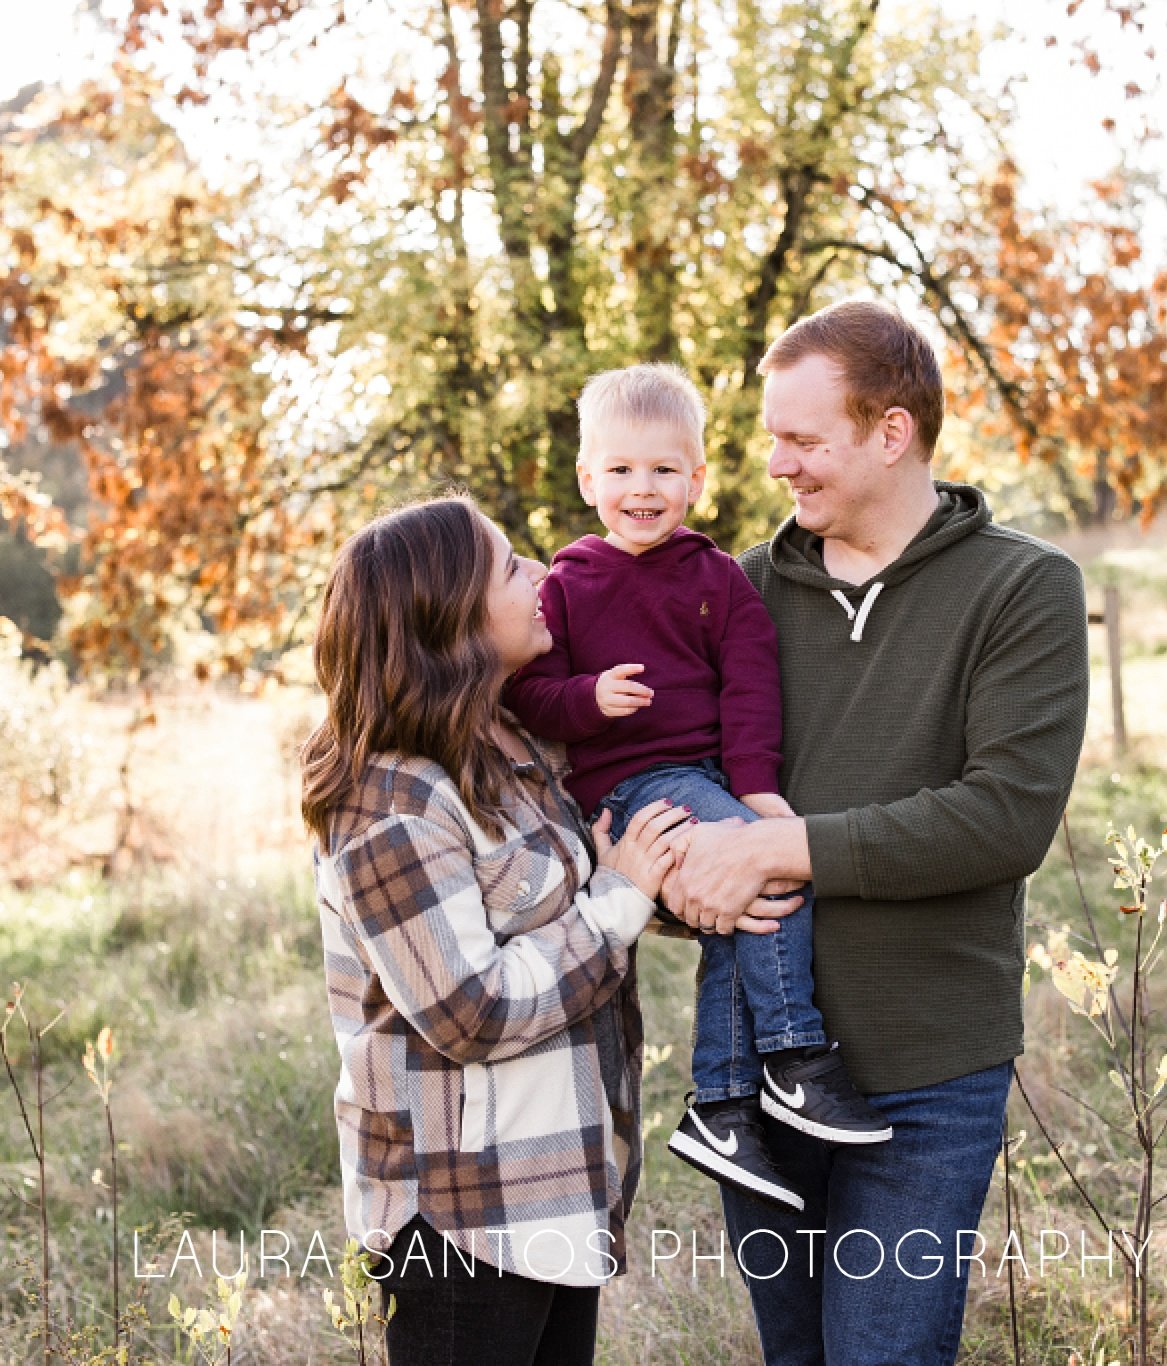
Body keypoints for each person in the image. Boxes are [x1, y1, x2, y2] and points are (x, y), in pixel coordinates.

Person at [663, 300, 1091, 1366]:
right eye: (772, 438)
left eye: (803, 440)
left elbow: (1003, 815)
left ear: (889, 432)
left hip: (925, 1074)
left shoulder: (1021, 588)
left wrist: (780, 848)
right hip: (761, 1081)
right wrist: (680, 875)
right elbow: (681, 796)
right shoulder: (739, 593)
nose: (777, 464)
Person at [302, 496, 728, 1366]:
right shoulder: (389, 802)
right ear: (451, 619)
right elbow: (472, 1012)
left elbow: (604, 883)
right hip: (460, 1221)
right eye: (509, 566)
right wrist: (617, 898)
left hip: (556, 1193)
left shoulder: (512, 747)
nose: (541, 574)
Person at [505, 364, 892, 1217]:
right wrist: (586, 699)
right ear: (587, 479)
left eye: (663, 471)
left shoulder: (719, 580)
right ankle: (793, 1057)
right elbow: (527, 694)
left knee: (734, 910)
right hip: (633, 789)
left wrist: (757, 795)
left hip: (711, 780)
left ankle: (720, 1106)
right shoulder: (565, 589)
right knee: (773, 878)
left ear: (697, 480)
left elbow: (750, 688)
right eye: (620, 471)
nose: (642, 490)